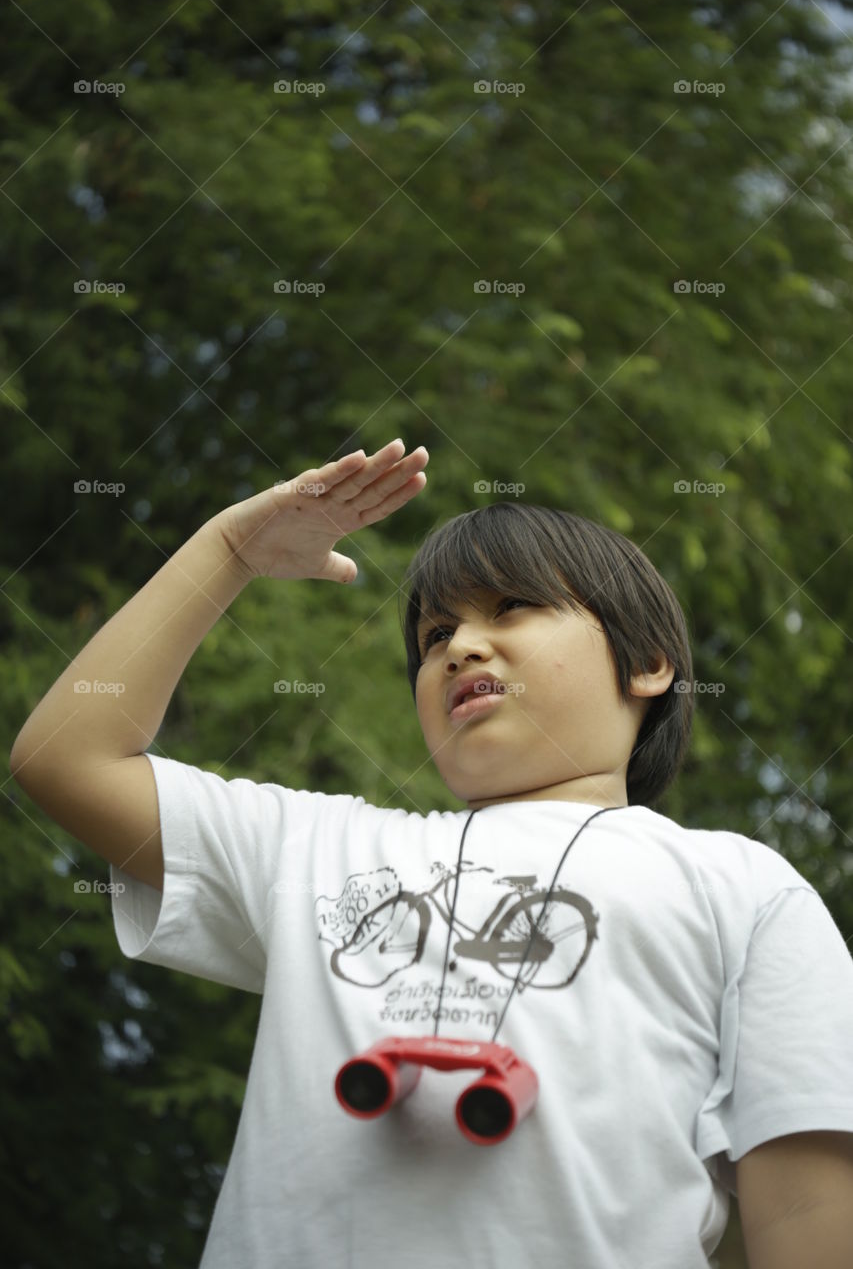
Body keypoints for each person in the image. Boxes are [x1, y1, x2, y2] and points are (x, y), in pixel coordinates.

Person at [10, 438, 853, 1268]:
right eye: (437, 632)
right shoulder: (318, 847)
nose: (460, 646)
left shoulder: (739, 886)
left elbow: (806, 1205)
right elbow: (64, 759)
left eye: (511, 608)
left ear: (648, 664)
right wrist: (229, 550)